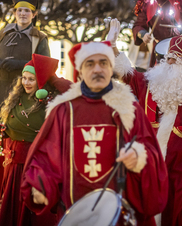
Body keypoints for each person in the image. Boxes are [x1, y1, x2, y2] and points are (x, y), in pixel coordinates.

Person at [20, 41, 168, 226]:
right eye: (90, 63)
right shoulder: (63, 110)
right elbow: (46, 157)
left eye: (103, 63)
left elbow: (151, 152)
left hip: (120, 212)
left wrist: (138, 157)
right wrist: (40, 184)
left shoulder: (130, 109)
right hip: (75, 209)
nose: (97, 69)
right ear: (80, 71)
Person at [111, 19, 182, 226]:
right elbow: (130, 76)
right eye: (167, 57)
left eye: (173, 59)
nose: (166, 62)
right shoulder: (154, 80)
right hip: (154, 163)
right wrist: (114, 46)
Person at [0, 54, 71, 226]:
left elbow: (72, 93)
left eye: (32, 79)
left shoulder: (52, 103)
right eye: (24, 78)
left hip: (36, 168)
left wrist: (53, 79)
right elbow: (6, 129)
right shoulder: (17, 98)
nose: (26, 83)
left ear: (41, 81)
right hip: (13, 168)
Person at [0, 0, 50, 121]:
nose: (22, 14)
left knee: (16, 126)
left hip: (24, 92)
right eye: (19, 10)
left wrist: (20, 64)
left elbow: (45, 65)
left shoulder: (39, 38)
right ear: (14, 13)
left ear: (34, 14)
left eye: (27, 11)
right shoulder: (3, 33)